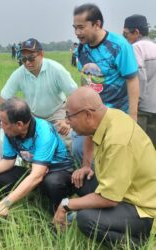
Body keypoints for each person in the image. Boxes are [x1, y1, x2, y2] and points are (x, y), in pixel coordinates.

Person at [54, 86, 156, 247]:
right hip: (124, 192)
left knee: (86, 220)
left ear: (88, 114)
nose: (67, 122)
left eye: (69, 116)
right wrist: (86, 165)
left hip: (143, 208)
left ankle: (138, 243)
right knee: (78, 179)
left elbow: (109, 199)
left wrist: (66, 204)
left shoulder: (118, 141)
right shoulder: (108, 116)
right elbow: (89, 133)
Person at [71, 3, 139, 191]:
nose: (77, 32)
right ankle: (96, 187)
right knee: (78, 149)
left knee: (114, 154)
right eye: (75, 28)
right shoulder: (81, 50)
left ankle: (116, 190)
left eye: (81, 27)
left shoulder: (119, 46)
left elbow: (132, 80)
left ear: (97, 24)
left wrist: (133, 116)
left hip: (116, 113)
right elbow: (85, 79)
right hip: (91, 114)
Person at [0, 98, 74, 216]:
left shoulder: (44, 132)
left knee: (52, 183)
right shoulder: (11, 132)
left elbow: (37, 175)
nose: (2, 126)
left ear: (19, 124)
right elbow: (8, 161)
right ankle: (31, 196)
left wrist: (6, 203)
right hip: (35, 169)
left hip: (59, 171)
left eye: (4, 123)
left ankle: (59, 214)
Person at [1, 38, 77, 148]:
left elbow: (75, 94)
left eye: (31, 58)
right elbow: (4, 97)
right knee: (33, 145)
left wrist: (67, 119)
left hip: (57, 112)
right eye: (24, 59)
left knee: (64, 142)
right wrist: (7, 121)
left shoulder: (56, 69)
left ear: (41, 54)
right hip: (34, 115)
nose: (27, 62)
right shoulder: (19, 73)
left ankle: (69, 163)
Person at [123, 14, 156, 145]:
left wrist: (134, 106)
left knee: (140, 148)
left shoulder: (136, 48)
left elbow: (139, 78)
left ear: (136, 32)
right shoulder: (154, 47)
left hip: (144, 111)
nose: (125, 38)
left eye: (126, 34)